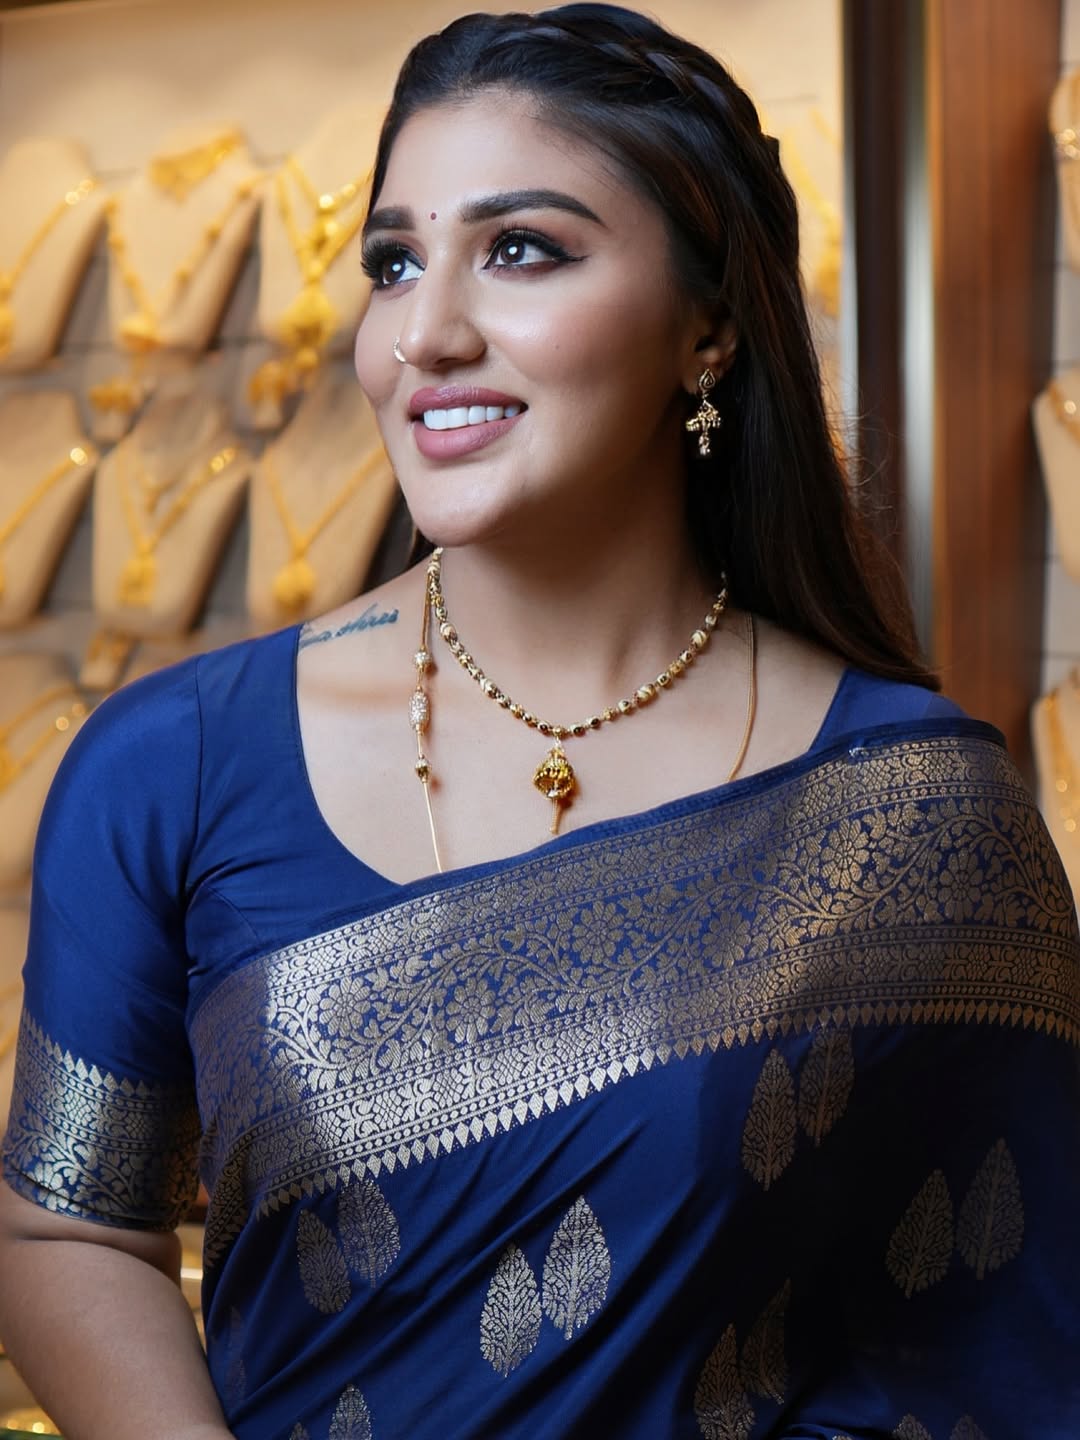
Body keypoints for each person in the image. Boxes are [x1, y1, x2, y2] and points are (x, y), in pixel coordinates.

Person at [1, 6, 1078, 1438]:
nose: (425, 333)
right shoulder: (170, 769)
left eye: (521, 250)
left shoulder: (913, 814)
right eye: (395, 263)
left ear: (709, 329)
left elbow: (1001, 1334)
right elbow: (67, 1228)